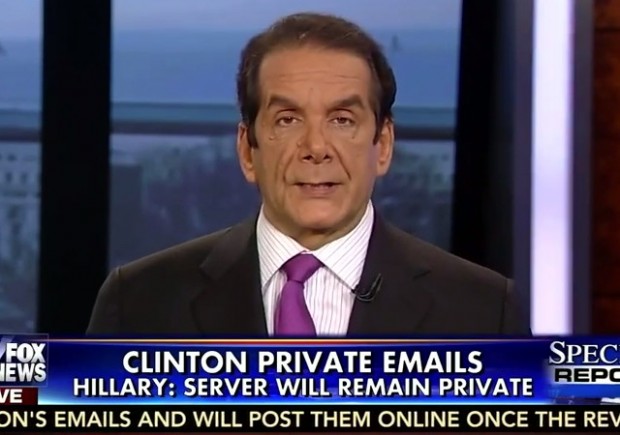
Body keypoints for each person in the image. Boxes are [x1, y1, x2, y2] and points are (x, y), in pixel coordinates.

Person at [87, 12, 528, 336]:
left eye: (342, 120)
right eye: (287, 120)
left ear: (383, 145)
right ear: (247, 150)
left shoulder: (485, 311)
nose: (316, 148)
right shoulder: (139, 303)